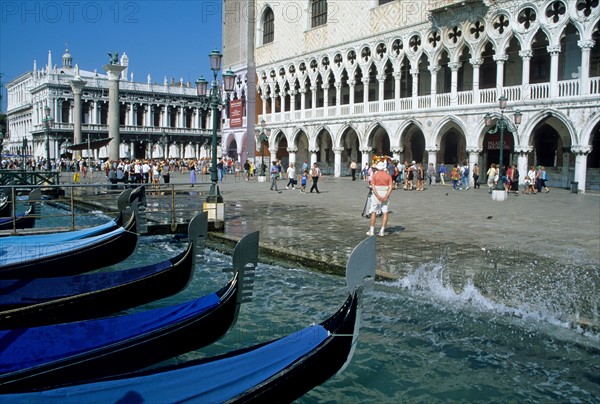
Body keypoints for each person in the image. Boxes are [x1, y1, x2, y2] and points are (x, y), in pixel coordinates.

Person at [366, 161, 393, 237]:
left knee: (373, 211)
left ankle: (371, 230)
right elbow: (391, 187)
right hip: (385, 192)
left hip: (376, 193)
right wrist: (386, 196)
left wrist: (377, 195)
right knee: (385, 212)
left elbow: (373, 186)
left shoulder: (375, 175)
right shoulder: (388, 176)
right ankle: (382, 231)